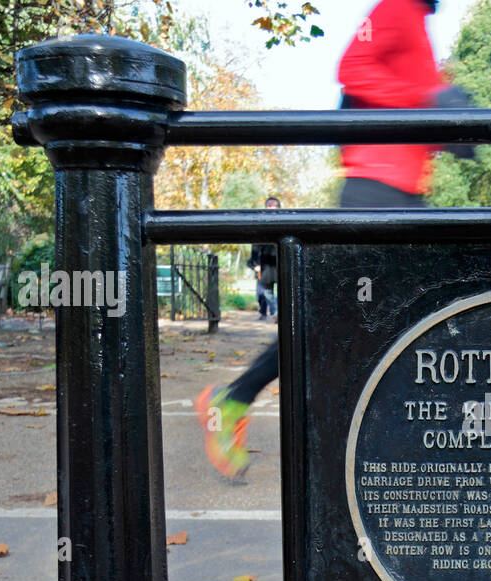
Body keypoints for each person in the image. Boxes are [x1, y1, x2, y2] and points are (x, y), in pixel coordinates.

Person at [195, 0, 472, 478]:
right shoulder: (397, 7)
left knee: (397, 316)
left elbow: (409, 110)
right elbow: (352, 67)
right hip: (374, 192)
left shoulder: (422, 25)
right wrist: (424, 103)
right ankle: (239, 401)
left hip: (405, 195)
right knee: (349, 316)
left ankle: (252, 402)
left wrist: (449, 129)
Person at [247, 197, 281, 320]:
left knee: (283, 290)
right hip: (266, 264)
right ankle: (275, 313)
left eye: (275, 205)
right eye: (270, 205)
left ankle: (279, 314)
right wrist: (255, 263)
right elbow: (255, 245)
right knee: (267, 291)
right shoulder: (261, 222)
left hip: (281, 262)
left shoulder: (284, 221)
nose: (273, 208)